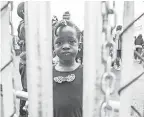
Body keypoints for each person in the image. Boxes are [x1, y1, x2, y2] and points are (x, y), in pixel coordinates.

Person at [53, 19, 83, 117]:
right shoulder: (47, 74)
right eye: (59, 42)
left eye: (71, 41)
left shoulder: (86, 73)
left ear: (79, 45)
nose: (65, 46)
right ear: (53, 46)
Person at [17, 2, 28, 117]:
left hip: (26, 61)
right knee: (27, 89)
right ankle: (22, 113)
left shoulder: (23, 24)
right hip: (26, 62)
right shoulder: (25, 25)